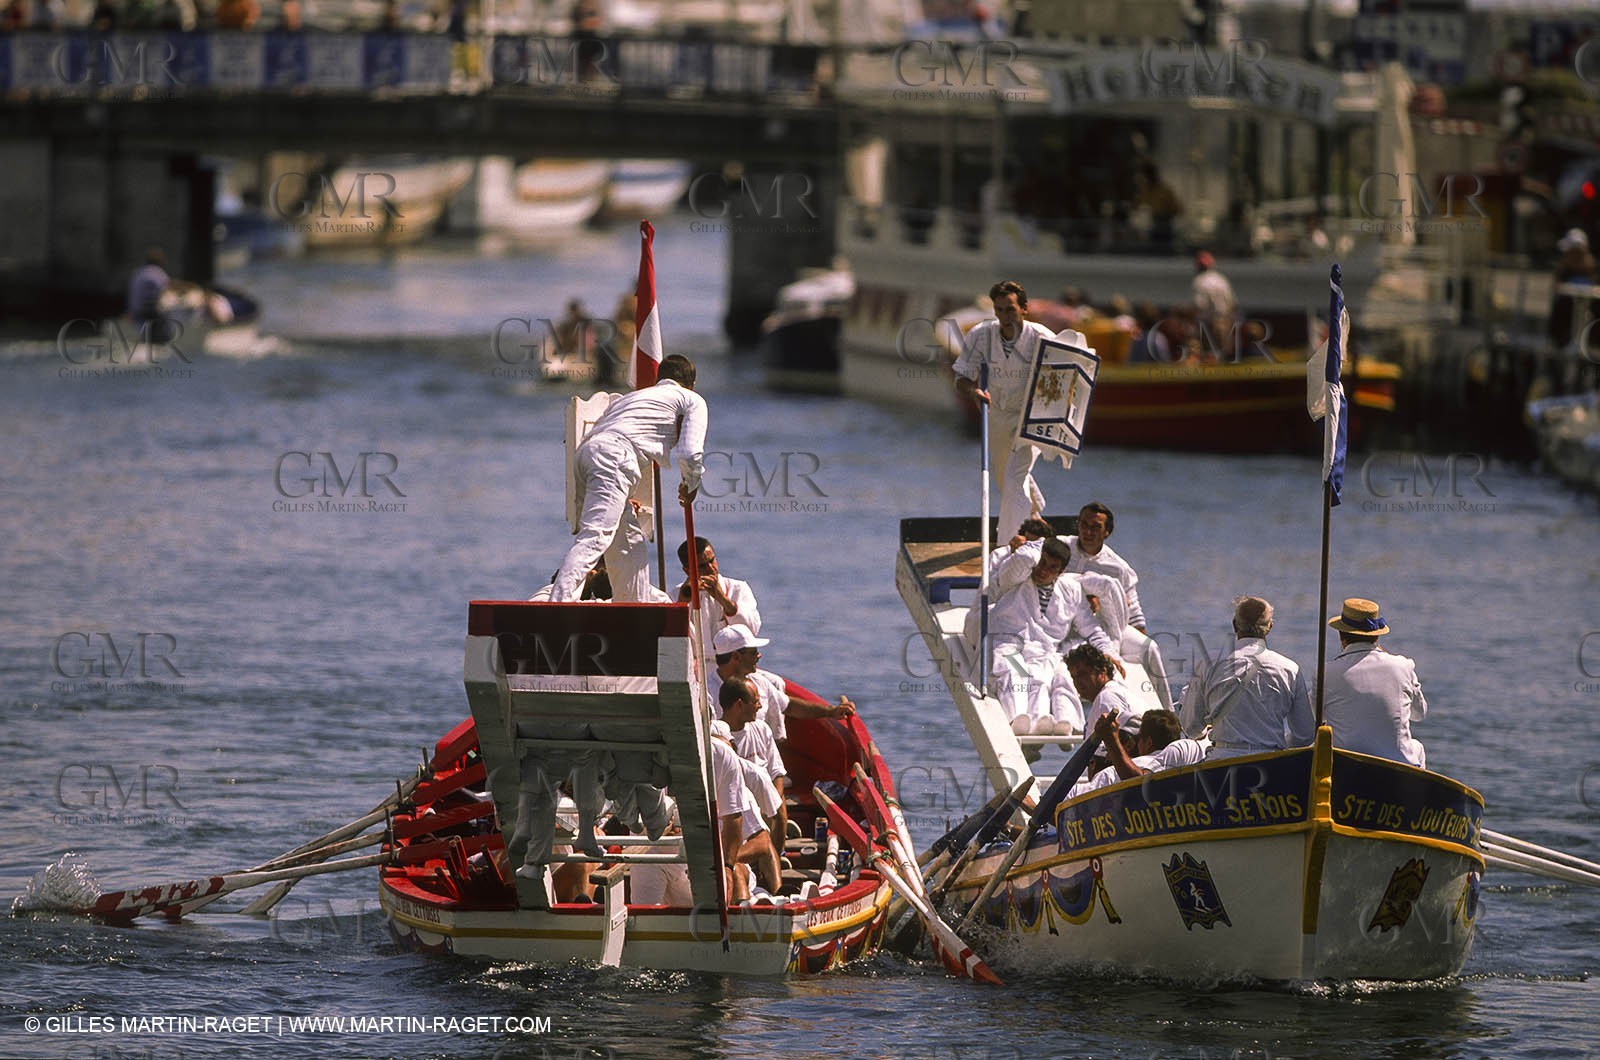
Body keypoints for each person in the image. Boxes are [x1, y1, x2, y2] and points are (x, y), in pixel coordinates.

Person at [551, 353, 705, 602]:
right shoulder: (692, 400)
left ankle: (633, 606)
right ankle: (556, 606)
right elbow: (690, 453)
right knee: (596, 536)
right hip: (615, 457)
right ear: (692, 384)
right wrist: (692, 483)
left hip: (588, 452)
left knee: (630, 542)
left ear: (660, 378)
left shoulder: (632, 398)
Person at [952, 280, 1056, 541]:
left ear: (1024, 309)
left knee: (1013, 479)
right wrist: (973, 391)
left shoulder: (1042, 337)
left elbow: (1067, 375)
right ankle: (1033, 515)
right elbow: (962, 377)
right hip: (996, 413)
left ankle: (1008, 542)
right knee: (1003, 477)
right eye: (999, 310)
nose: (1004, 316)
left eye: (1010, 309)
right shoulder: (980, 335)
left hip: (1030, 417)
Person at [988, 538, 1119, 736]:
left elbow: (1090, 628)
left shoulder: (1071, 590)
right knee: (1016, 673)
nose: (1043, 570)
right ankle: (1017, 718)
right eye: (1042, 563)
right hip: (1009, 645)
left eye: (1052, 567)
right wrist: (1038, 544)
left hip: (1044, 651)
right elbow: (1022, 557)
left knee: (1046, 678)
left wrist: (1107, 652)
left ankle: (1059, 722)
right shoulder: (1016, 579)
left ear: (1061, 571)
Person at [1065, 501, 1173, 710]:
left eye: (1096, 527)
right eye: (1084, 524)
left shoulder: (1118, 567)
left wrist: (1138, 636)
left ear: (1107, 532)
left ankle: (1167, 716)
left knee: (1149, 648)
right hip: (1068, 626)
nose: (1088, 531)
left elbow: (1134, 613)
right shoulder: (1060, 547)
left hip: (1108, 626)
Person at [1180, 596, 1314, 760]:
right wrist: (1275, 743)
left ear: (1235, 624)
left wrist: (1205, 732)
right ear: (1270, 627)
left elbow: (1190, 726)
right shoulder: (1290, 669)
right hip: (1272, 764)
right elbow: (1305, 736)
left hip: (1221, 762)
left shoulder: (1208, 663)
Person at [1323, 597, 1428, 768]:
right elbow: (1419, 713)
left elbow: (1313, 716)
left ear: (1342, 636)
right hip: (1397, 767)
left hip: (1344, 765)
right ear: (1376, 637)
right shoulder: (1403, 666)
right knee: (1417, 747)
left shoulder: (1327, 671)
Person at [708, 627, 854, 742]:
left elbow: (789, 706)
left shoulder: (759, 682)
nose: (759, 656)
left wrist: (831, 711)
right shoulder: (706, 693)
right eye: (754, 652)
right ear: (736, 657)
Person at [720, 677, 789, 865]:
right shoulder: (718, 737)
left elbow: (777, 771)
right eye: (756, 701)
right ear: (739, 705)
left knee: (779, 809)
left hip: (762, 792)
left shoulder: (762, 729)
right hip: (736, 799)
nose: (759, 706)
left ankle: (777, 854)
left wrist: (773, 798)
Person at [677, 536, 761, 674]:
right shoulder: (676, 595)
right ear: (687, 570)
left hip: (732, 669)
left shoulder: (738, 588)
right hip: (694, 671)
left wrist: (722, 598)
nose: (711, 569)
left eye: (712, 561)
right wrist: (682, 604)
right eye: (702, 566)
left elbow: (752, 630)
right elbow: (670, 638)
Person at [1063, 642, 1135, 739]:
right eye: (1074, 677)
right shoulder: (1112, 692)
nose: (1077, 682)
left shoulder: (1107, 698)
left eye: (1083, 674)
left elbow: (1116, 745)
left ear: (1102, 671)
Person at [1549, 228, 1597, 347]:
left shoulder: (1591, 267)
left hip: (1587, 308)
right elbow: (1556, 287)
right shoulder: (1564, 267)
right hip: (1567, 311)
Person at [1191, 250, 1236, 354]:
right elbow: (1231, 302)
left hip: (1209, 324)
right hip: (1225, 321)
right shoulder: (1221, 279)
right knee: (1225, 354)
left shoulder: (1200, 281)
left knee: (1209, 355)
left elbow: (1200, 305)